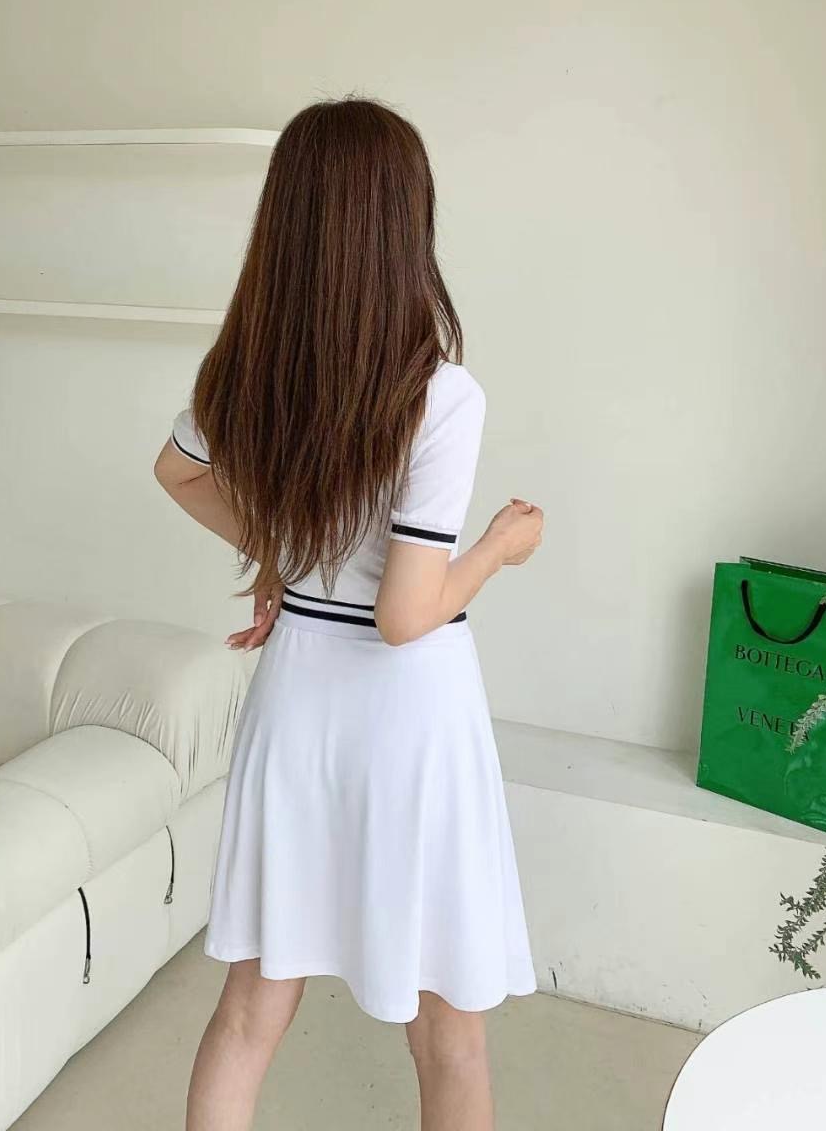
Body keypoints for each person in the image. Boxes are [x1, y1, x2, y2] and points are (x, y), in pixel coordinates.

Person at [154, 95, 543, 1131]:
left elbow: (177, 473)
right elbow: (407, 617)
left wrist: (285, 553)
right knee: (449, 1034)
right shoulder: (440, 395)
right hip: (411, 724)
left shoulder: (244, 376)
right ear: (403, 223)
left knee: (249, 1011)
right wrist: (498, 549)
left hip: (295, 705)